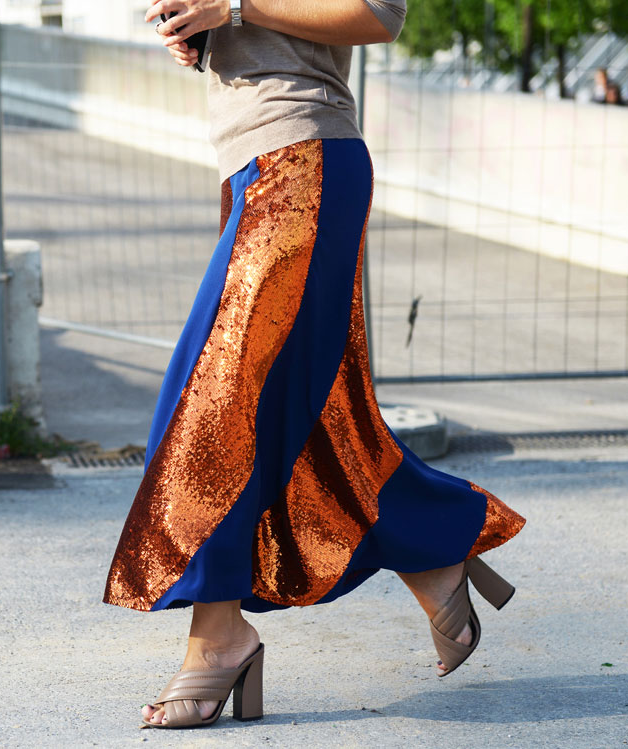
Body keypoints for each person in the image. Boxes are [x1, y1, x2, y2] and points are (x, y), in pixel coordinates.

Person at [103, 0, 526, 729]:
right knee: (314, 413)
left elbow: (378, 15)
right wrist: (203, 32)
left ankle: (218, 636)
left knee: (214, 406)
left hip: (302, 163)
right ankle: (432, 552)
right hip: (253, 165)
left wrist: (234, 6)